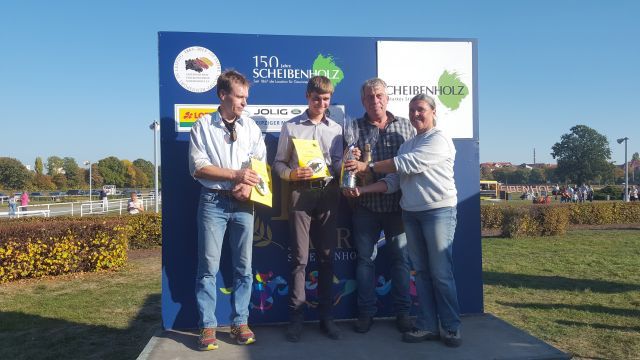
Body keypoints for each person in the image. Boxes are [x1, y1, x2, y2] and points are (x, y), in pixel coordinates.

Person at [344, 94, 462, 347]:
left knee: (441, 273)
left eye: (420, 110)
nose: (416, 115)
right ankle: (428, 325)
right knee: (420, 273)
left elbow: (408, 164)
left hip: (437, 212)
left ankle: (451, 327)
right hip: (410, 212)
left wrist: (368, 166)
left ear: (433, 112)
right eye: (412, 111)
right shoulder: (408, 143)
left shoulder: (438, 139)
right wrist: (362, 190)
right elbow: (394, 180)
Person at [188, 70, 267, 350]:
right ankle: (208, 327)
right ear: (223, 95)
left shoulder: (252, 128)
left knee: (244, 267)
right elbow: (198, 168)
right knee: (208, 267)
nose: (245, 102)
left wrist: (247, 187)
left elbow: (259, 164)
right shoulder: (202, 126)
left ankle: (240, 322)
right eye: (240, 96)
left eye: (247, 96)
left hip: (245, 203)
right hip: (213, 201)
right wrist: (235, 176)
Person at [273, 76, 344, 342]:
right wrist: (292, 174)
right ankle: (296, 318)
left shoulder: (337, 128)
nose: (321, 103)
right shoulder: (290, 126)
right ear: (307, 96)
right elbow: (278, 163)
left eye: (326, 99)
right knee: (299, 259)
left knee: (327, 258)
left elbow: (337, 165)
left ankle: (327, 318)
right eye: (317, 98)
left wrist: (346, 166)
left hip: (328, 193)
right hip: (300, 194)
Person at [342, 78, 415, 334]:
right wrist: (350, 159)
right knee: (365, 261)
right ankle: (365, 314)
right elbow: (343, 165)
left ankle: (403, 313)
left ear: (387, 97)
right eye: (370, 97)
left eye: (380, 95)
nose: (375, 101)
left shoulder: (406, 127)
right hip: (365, 205)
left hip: (399, 206)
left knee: (401, 261)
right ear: (363, 101)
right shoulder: (353, 128)